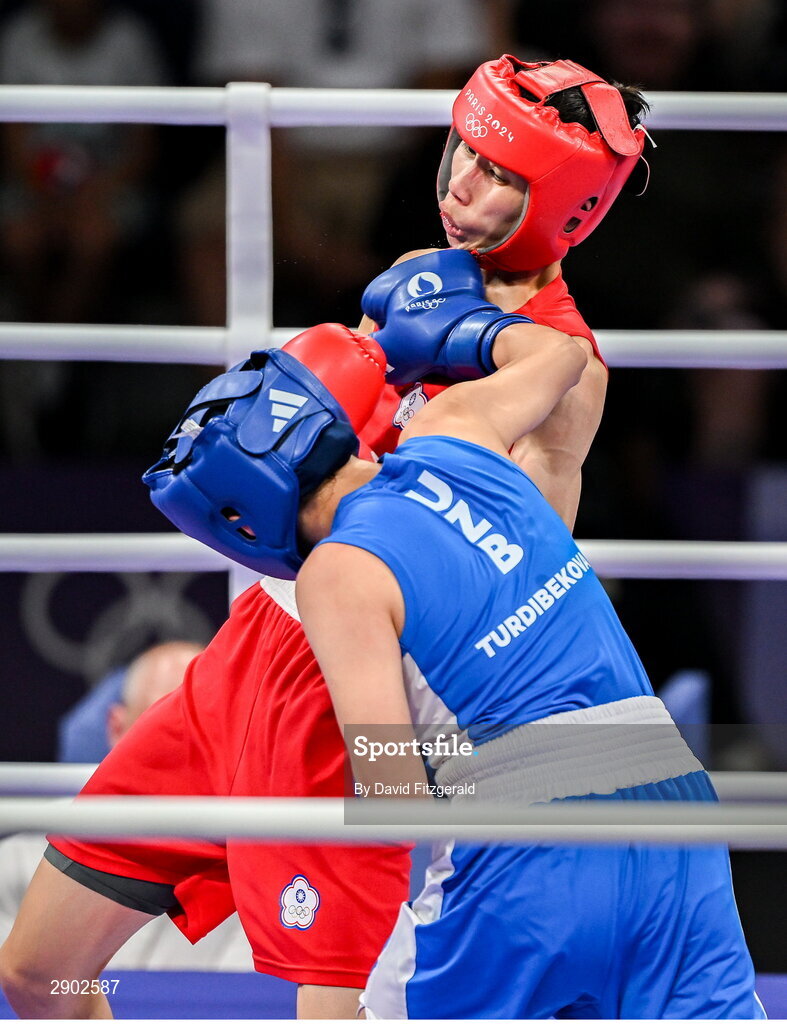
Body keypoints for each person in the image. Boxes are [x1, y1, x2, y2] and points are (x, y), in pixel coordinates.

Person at [0, 55, 651, 1020]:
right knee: (39, 974)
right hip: (241, 664)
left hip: (352, 696)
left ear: (564, 203)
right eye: (461, 156)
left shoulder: (564, 373)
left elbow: (486, 567)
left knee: (331, 1005)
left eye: (501, 175)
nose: (461, 187)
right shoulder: (415, 292)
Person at [137, 266, 758, 1017]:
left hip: (522, 843)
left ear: (246, 516)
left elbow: (395, 794)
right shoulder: (451, 432)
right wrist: (450, 335)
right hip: (670, 800)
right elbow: (562, 357)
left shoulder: (339, 572)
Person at [0, 641, 253, 972]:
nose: (188, 752)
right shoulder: (21, 861)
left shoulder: (265, 864)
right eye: (164, 729)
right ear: (117, 728)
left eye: (210, 729)